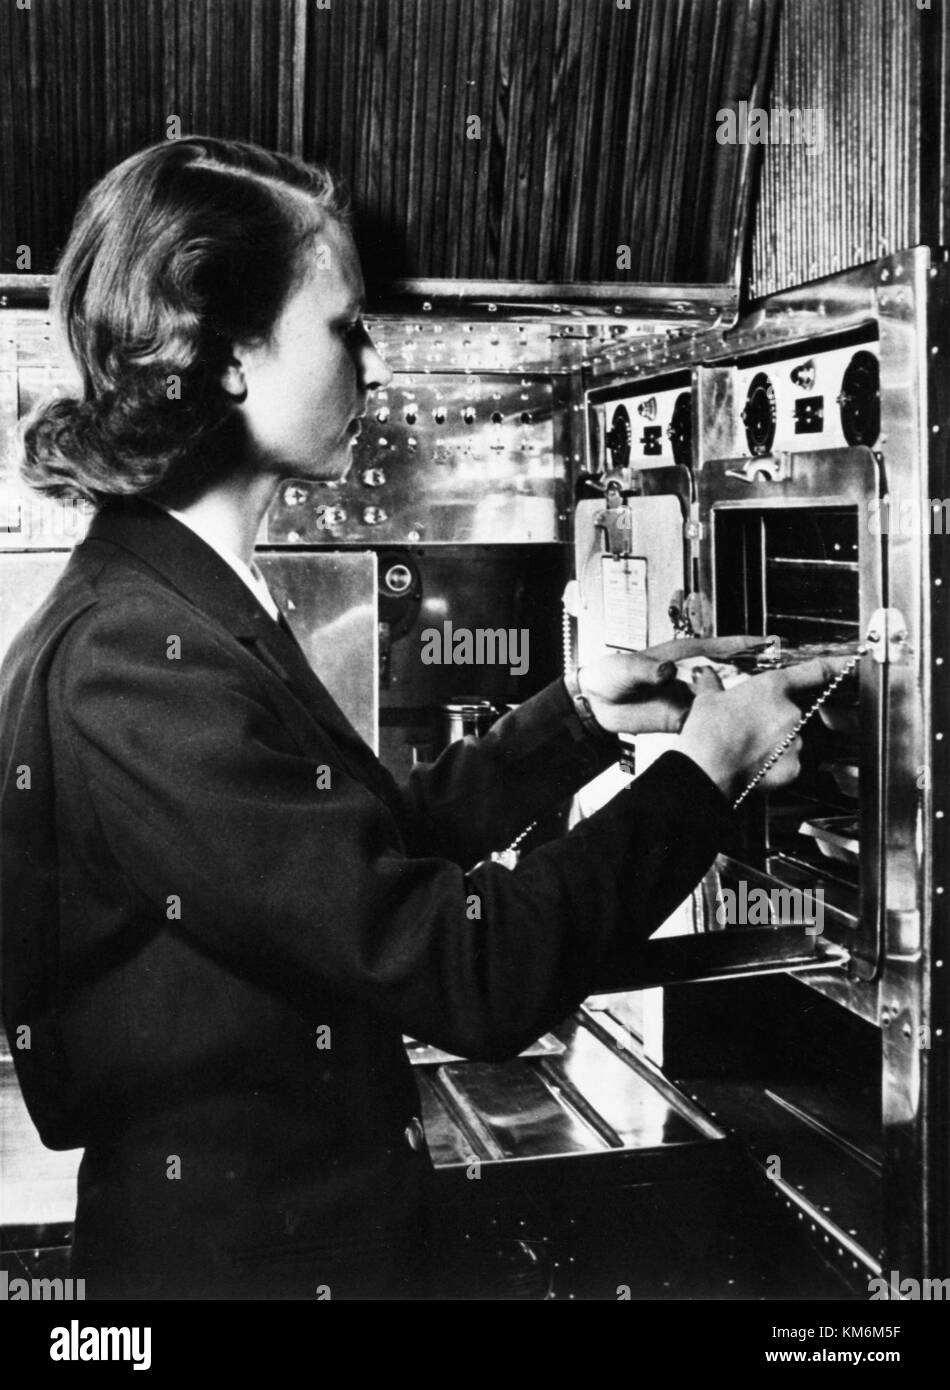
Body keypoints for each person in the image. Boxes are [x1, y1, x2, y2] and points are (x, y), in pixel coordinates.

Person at [0, 137, 847, 1300]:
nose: (375, 363)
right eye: (345, 327)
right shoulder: (133, 655)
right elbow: (469, 973)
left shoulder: (173, 603)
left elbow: (353, 851)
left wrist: (584, 717)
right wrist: (709, 762)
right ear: (231, 353)